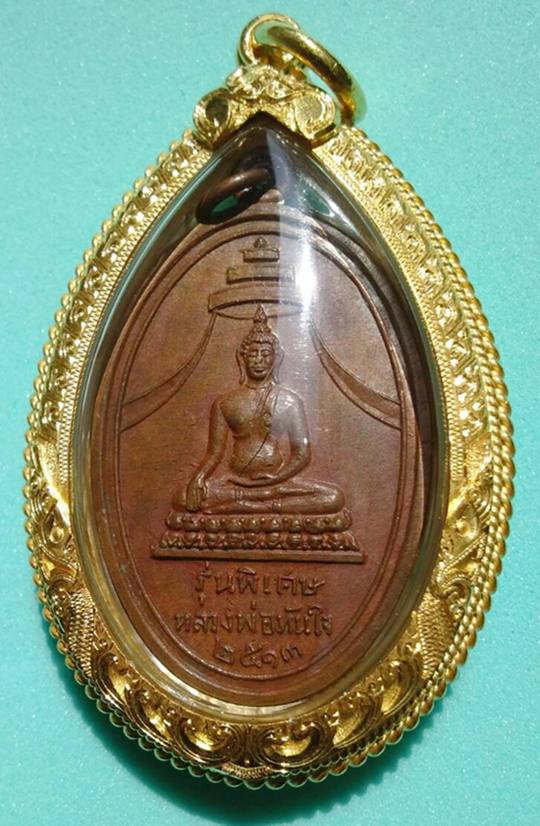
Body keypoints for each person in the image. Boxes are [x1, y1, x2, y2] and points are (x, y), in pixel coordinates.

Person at [182, 305, 344, 515]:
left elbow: (302, 454)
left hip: (278, 483)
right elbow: (214, 453)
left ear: (276, 358)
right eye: (253, 354)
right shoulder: (225, 403)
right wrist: (198, 478)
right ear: (242, 358)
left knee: (333, 497)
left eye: (265, 354)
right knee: (183, 498)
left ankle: (251, 506)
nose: (259, 360)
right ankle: (259, 504)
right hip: (236, 482)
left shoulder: (289, 401)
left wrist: (276, 478)